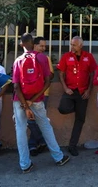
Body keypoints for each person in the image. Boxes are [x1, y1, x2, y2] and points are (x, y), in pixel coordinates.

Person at [13, 33, 69, 173]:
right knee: (45, 126)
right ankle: (58, 157)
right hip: (37, 100)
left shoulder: (17, 61)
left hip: (19, 100)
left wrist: (25, 105)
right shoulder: (42, 58)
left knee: (20, 130)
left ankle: (25, 165)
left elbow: (15, 87)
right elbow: (48, 81)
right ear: (33, 43)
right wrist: (33, 100)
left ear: (21, 45)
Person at [57, 36, 97, 156]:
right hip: (70, 91)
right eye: (71, 44)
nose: (72, 47)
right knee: (62, 108)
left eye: (74, 45)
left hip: (83, 92)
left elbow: (92, 73)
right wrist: (65, 88)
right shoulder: (66, 56)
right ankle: (78, 108)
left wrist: (89, 90)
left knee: (80, 119)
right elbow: (61, 73)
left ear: (80, 45)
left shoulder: (88, 57)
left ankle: (72, 146)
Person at [27, 36, 53, 156]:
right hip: (30, 95)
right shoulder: (27, 58)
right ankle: (41, 141)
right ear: (34, 45)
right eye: (41, 46)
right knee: (31, 121)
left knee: (39, 120)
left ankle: (33, 144)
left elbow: (51, 75)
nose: (43, 48)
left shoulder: (46, 58)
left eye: (44, 46)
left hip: (43, 93)